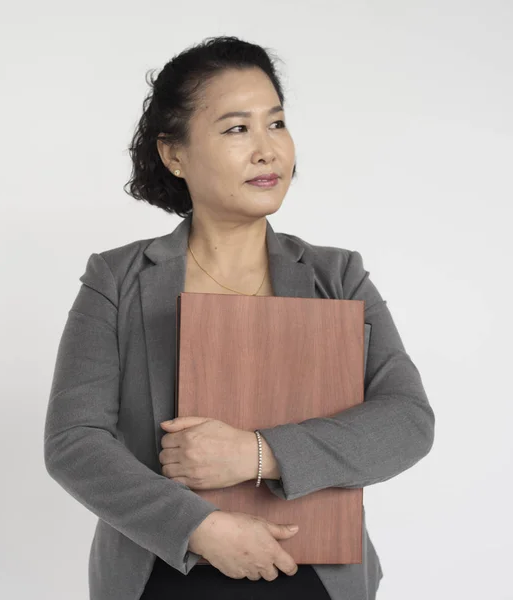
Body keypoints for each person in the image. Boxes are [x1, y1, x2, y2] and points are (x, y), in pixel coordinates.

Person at [43, 35, 435, 600]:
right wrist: (201, 528)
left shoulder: (338, 276)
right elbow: (74, 442)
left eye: (275, 123)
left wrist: (257, 453)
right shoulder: (117, 279)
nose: (267, 149)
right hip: (164, 575)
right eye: (236, 128)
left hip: (317, 578)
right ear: (173, 153)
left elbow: (407, 422)